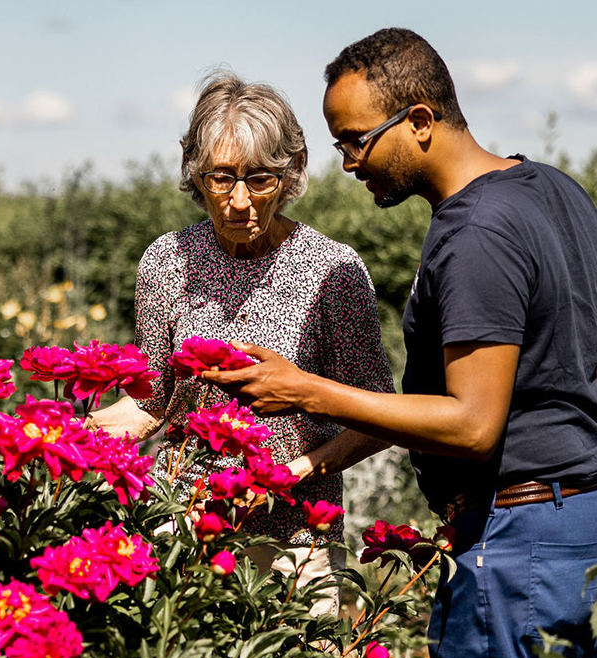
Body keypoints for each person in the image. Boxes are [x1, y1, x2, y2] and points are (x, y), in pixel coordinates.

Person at [200, 29, 597, 658]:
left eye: (355, 141)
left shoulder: (473, 234)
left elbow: (471, 426)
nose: (348, 164)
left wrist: (305, 389)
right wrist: (585, 467)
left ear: (420, 121)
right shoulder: (553, 189)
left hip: (516, 538)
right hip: (589, 524)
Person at [89, 70, 393, 612]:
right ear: (195, 174)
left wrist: (291, 475)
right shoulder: (166, 261)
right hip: (183, 529)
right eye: (220, 177)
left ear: (292, 173)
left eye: (260, 179)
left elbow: (378, 417)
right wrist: (68, 435)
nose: (237, 200)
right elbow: (151, 401)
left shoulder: (332, 271)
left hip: (294, 545)